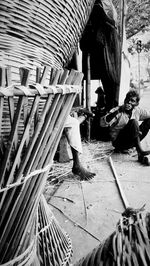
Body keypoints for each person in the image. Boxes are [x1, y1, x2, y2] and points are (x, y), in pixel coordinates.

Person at [100, 89, 150, 165]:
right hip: (119, 143)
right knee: (134, 122)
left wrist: (138, 131)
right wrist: (117, 111)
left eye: (132, 101)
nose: (129, 102)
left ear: (136, 103)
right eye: (127, 99)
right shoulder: (118, 110)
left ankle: (140, 153)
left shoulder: (137, 110)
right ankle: (140, 151)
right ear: (125, 100)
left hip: (131, 141)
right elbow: (102, 123)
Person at [64, 111, 95, 180]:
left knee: (74, 119)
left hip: (53, 112)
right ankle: (77, 164)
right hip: (49, 114)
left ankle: (77, 163)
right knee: (74, 123)